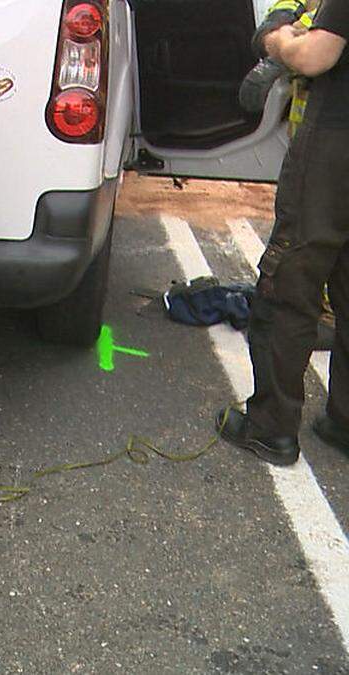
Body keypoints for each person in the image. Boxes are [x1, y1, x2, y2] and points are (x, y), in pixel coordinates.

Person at [217, 0, 349, 465]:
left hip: (336, 142)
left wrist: (276, 40)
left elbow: (317, 55)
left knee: (290, 280)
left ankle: (270, 427)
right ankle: (344, 421)